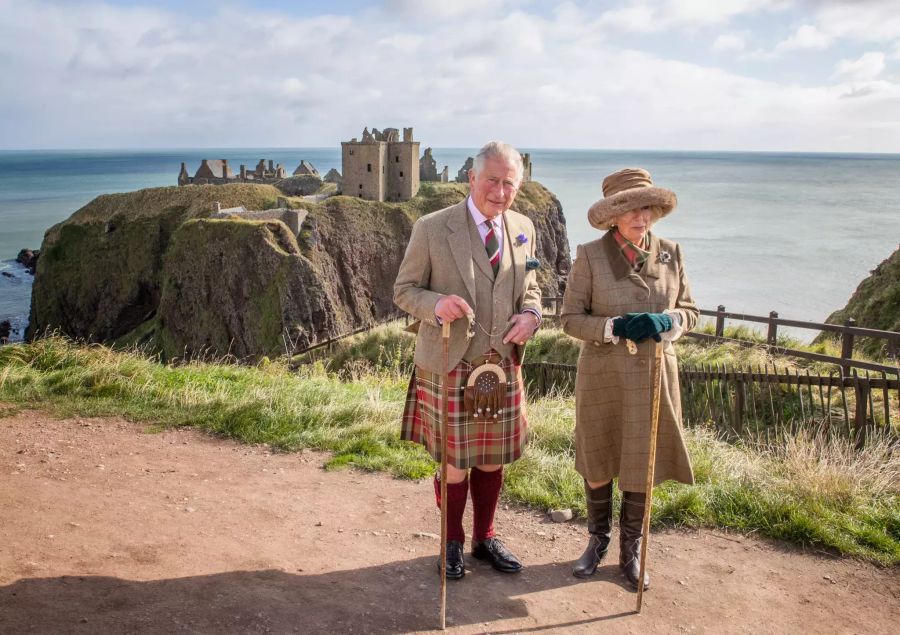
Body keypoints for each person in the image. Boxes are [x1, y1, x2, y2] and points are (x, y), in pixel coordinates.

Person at [394, 141, 542, 580]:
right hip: (450, 360)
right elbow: (403, 290)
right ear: (472, 179)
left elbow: (530, 286)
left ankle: (485, 537)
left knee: (493, 457)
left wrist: (532, 315)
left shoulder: (522, 226)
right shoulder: (432, 227)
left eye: (509, 183)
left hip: (502, 364)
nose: (500, 191)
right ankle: (451, 541)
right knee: (456, 461)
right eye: (492, 181)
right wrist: (436, 304)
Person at [560, 167, 698, 591]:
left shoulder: (672, 252)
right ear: (613, 215)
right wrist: (614, 326)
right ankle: (596, 541)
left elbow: (691, 311)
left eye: (647, 207)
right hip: (604, 375)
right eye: (631, 208)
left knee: (642, 462)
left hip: (654, 376)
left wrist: (668, 319)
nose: (642, 216)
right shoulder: (589, 255)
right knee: (599, 459)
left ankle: (631, 551)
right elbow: (568, 319)